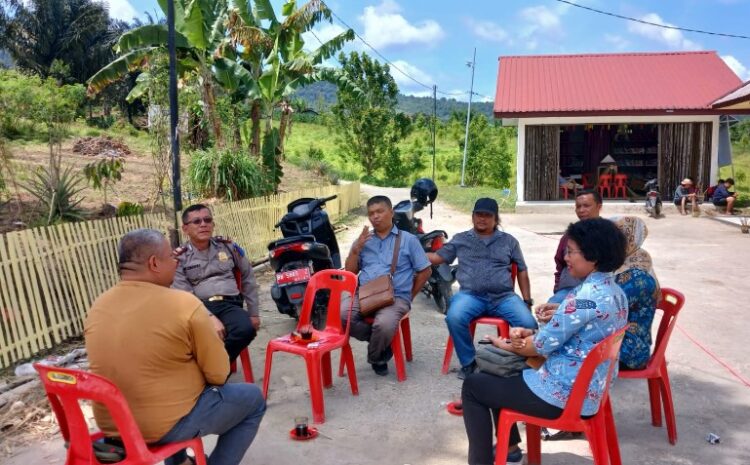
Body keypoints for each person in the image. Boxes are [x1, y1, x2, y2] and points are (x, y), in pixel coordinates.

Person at [85, 229, 265, 465]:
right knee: (253, 399)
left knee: (171, 386)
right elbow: (219, 374)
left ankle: (180, 462)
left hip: (113, 425)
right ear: (154, 263)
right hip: (162, 426)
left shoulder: (98, 306)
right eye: (171, 256)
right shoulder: (183, 303)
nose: (176, 261)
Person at [462, 218, 628, 465]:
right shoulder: (614, 292)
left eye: (571, 252)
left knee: (475, 386)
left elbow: (537, 347)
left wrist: (509, 341)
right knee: (496, 377)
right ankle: (509, 450)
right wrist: (561, 310)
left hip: (562, 397)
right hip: (590, 391)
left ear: (593, 256)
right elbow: (586, 311)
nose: (566, 258)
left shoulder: (583, 297)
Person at [427, 198, 537, 379]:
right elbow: (438, 258)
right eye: (479, 215)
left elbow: (522, 270)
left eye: (488, 216)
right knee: (454, 317)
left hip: (504, 297)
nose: (482, 219)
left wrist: (527, 301)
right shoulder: (461, 239)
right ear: (472, 216)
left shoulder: (509, 241)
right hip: (471, 296)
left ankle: (517, 362)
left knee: (529, 324)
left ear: (496, 219)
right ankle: (469, 363)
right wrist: (411, 250)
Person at [343, 196, 432, 376]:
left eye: (380, 211)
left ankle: (376, 356)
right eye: (371, 214)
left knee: (383, 324)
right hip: (365, 293)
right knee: (342, 314)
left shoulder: (409, 240)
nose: (375, 216)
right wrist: (355, 250)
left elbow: (425, 271)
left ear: (391, 213)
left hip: (396, 296)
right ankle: (381, 343)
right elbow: (350, 272)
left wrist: (409, 296)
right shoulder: (363, 240)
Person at [172, 204, 260, 362]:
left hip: (230, 305)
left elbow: (248, 277)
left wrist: (253, 313)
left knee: (246, 329)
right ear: (185, 229)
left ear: (213, 224)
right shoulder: (180, 258)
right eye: (197, 221)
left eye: (207, 220)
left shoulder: (228, 247)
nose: (203, 224)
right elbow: (185, 295)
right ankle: (215, 371)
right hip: (199, 309)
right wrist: (210, 317)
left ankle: (215, 370)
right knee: (187, 341)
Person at [610, 216, 660, 370]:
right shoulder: (622, 262)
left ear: (630, 240)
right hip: (617, 340)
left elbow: (604, 309)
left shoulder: (637, 277)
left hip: (629, 351)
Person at [548, 190, 602, 304]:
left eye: (586, 206)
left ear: (599, 206)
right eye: (578, 206)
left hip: (597, 292)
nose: (581, 210)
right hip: (568, 290)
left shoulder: (608, 234)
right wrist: (557, 288)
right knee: (547, 312)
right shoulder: (569, 235)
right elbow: (559, 263)